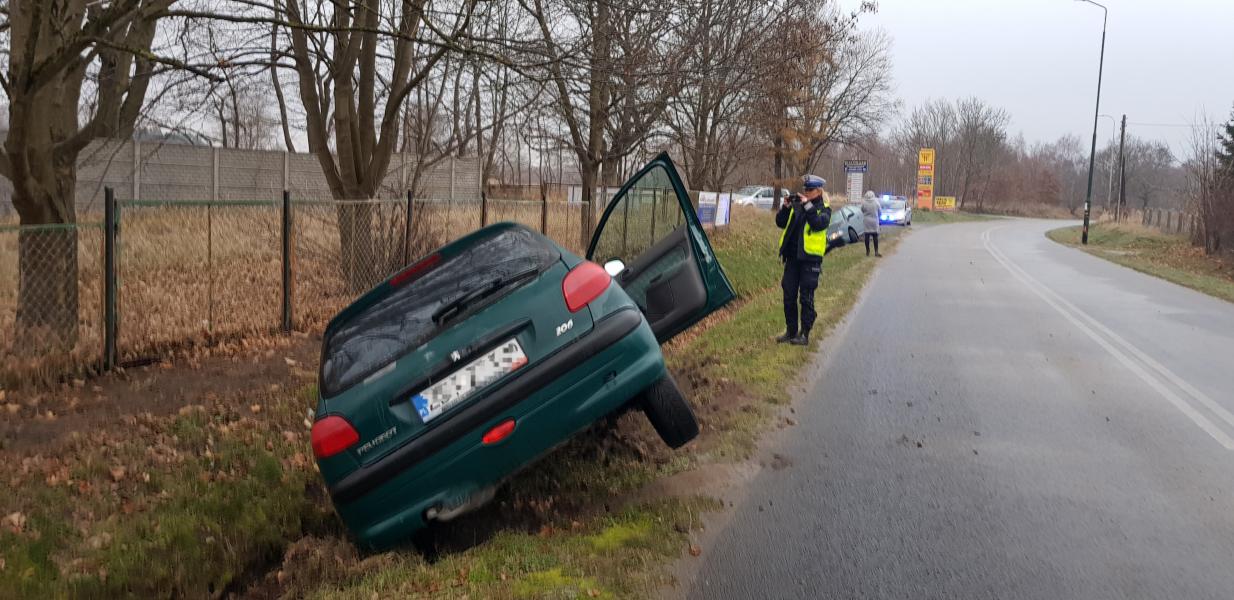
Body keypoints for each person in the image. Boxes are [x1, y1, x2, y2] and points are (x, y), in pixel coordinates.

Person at [775, 174, 831, 346]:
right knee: (789, 295)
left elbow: (818, 224)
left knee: (806, 297)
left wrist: (807, 205)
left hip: (810, 260)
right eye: (805, 189)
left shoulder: (824, 209)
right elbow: (781, 223)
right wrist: (786, 207)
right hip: (793, 258)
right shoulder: (798, 206)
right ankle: (791, 331)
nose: (806, 192)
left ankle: (805, 334)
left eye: (810, 189)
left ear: (819, 191)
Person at [861, 190, 882, 257]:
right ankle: (876, 252)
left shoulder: (864, 203)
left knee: (867, 236)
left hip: (867, 221)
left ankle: (868, 251)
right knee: (875, 236)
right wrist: (878, 216)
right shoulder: (876, 202)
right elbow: (880, 212)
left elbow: (862, 210)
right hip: (874, 221)